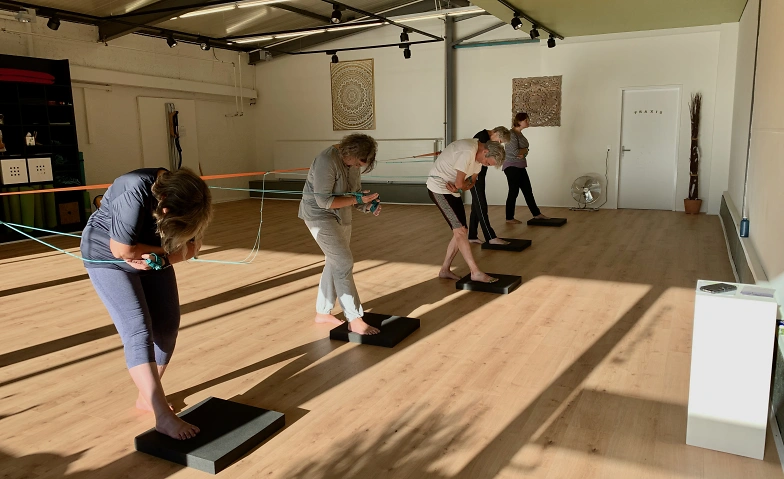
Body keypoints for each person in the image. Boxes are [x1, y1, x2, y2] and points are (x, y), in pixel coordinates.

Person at [80, 167, 213, 440]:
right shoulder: (133, 188)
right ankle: (162, 414)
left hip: (152, 256)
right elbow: (123, 250)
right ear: (164, 207)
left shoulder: (191, 197)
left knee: (167, 326)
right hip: (107, 257)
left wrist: (167, 256)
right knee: (138, 330)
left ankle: (147, 396)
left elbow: (192, 248)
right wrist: (171, 253)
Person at [299, 134, 383, 335]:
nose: (359, 167)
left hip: (341, 216)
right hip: (319, 215)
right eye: (359, 163)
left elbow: (355, 193)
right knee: (343, 262)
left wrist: (367, 205)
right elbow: (324, 202)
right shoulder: (326, 161)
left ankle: (322, 313)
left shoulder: (354, 163)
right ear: (350, 153)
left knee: (334, 261)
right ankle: (354, 318)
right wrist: (357, 200)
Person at [426, 138, 505, 283]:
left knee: (462, 230)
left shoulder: (478, 159)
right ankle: (475, 272)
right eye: (487, 163)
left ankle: (444, 270)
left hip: (452, 191)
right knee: (460, 231)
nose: (485, 165)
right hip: (439, 188)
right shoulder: (468, 151)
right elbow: (460, 183)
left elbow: (470, 183)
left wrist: (461, 187)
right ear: (485, 152)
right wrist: (461, 186)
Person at [504, 112, 549, 223]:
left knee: (527, 190)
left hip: (520, 165)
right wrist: (525, 150)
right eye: (526, 120)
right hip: (511, 166)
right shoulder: (511, 134)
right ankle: (509, 218)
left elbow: (525, 150)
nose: (528, 122)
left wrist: (524, 152)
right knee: (513, 192)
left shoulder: (519, 134)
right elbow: (515, 152)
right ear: (519, 121)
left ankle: (536, 214)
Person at [468, 126, 511, 245]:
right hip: (474, 176)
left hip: (478, 176)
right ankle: (490, 237)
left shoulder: (486, 137)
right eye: (500, 141)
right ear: (496, 133)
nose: (499, 143)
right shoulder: (481, 137)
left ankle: (472, 236)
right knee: (481, 205)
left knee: (476, 206)